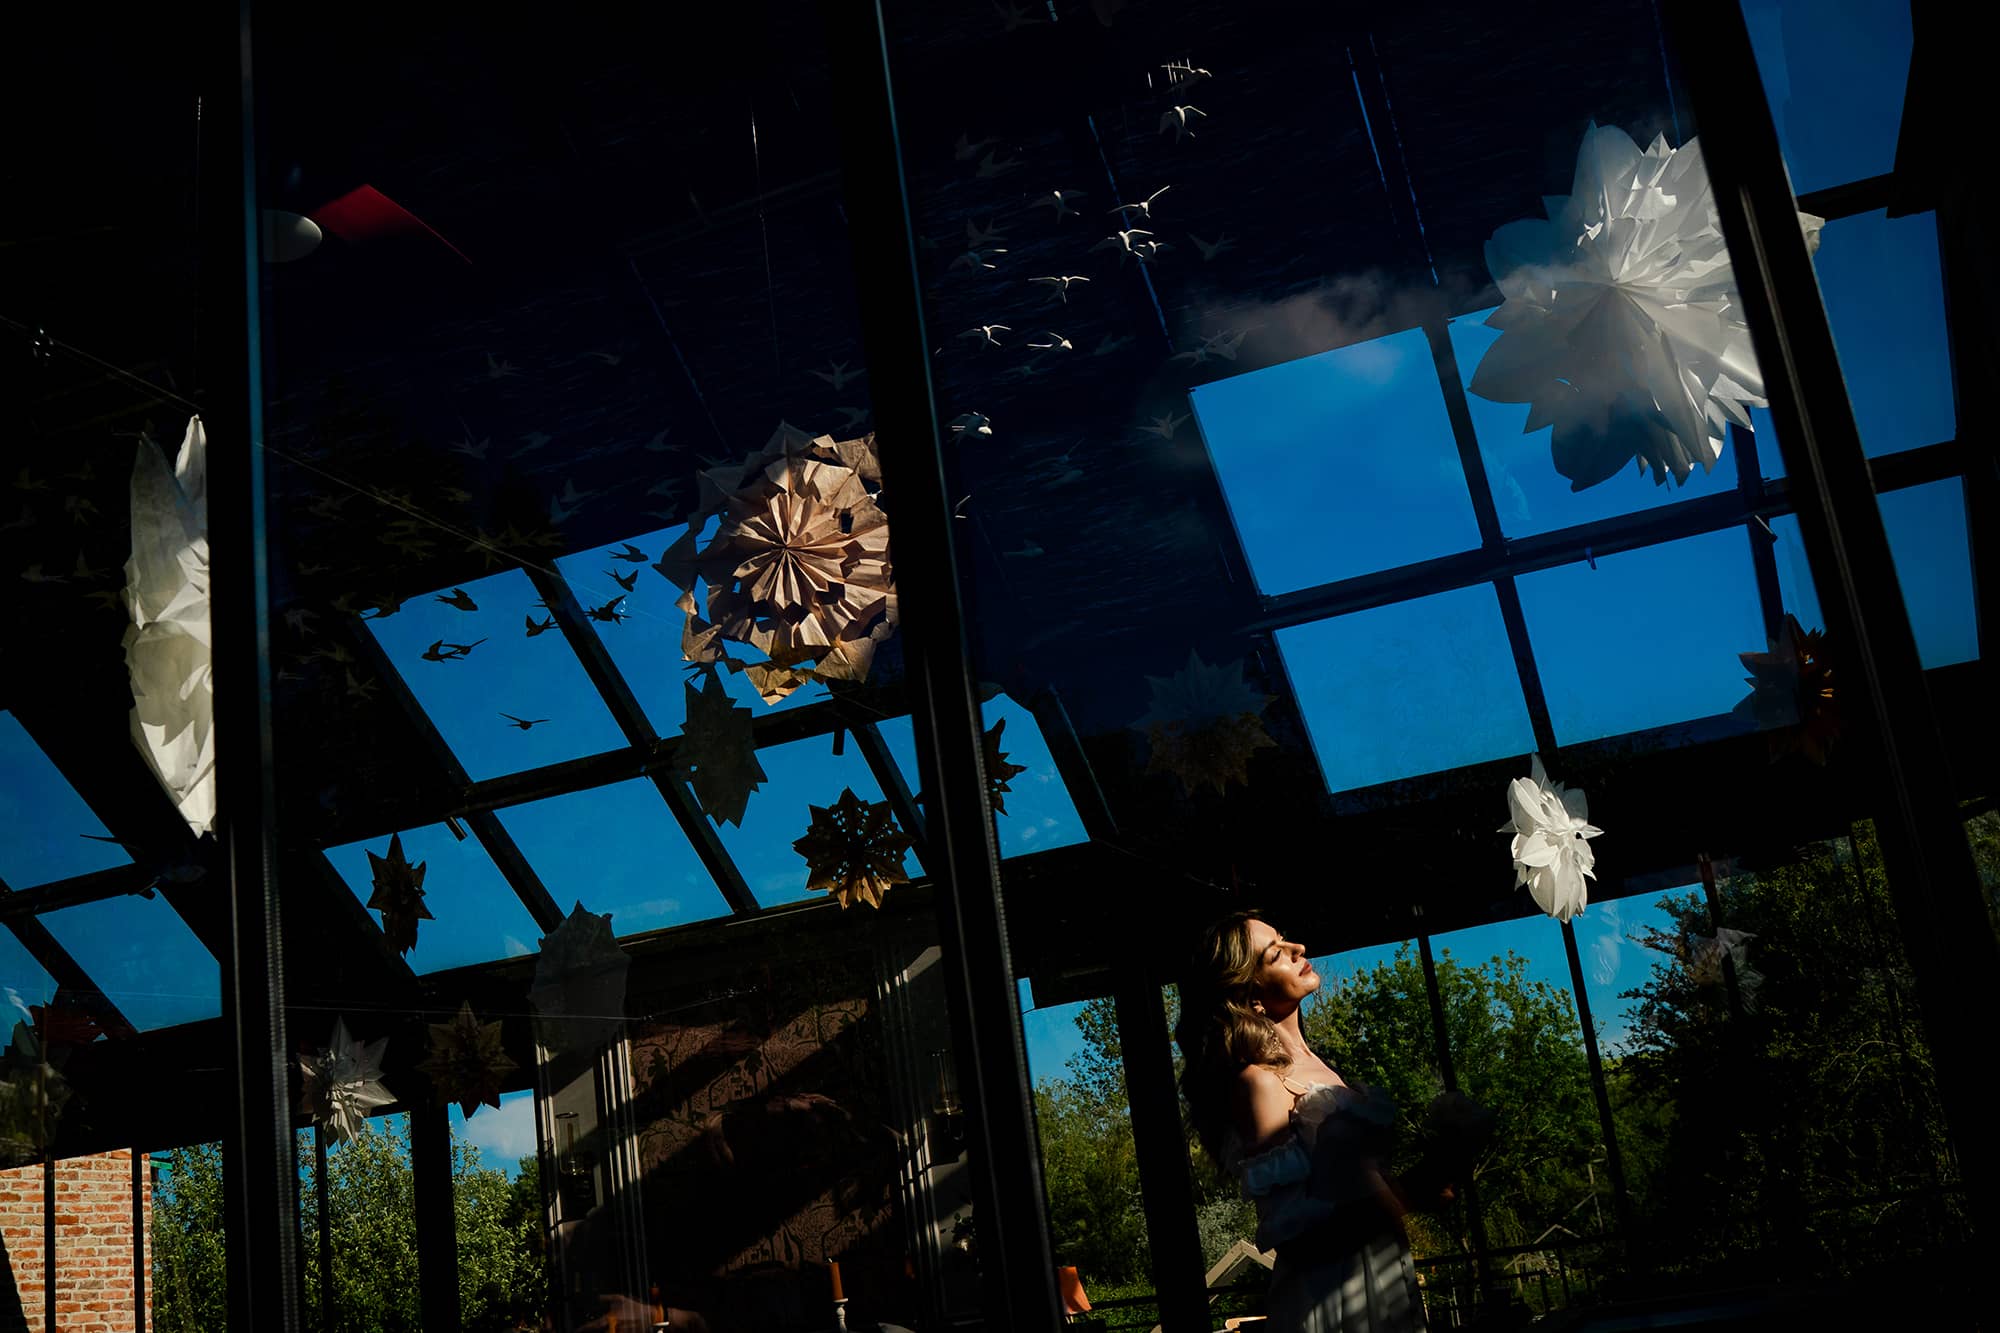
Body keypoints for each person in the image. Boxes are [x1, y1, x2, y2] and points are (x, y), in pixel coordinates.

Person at [1176, 911, 1486, 1333]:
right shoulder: (1260, 1083)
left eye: (1285, 939)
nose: (1298, 949)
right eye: (1276, 954)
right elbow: (1296, 1232)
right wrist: (1397, 1195)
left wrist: (1441, 1162)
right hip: (1332, 1298)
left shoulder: (1321, 1068)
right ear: (1252, 995)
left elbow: (1366, 1195)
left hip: (1385, 1277)